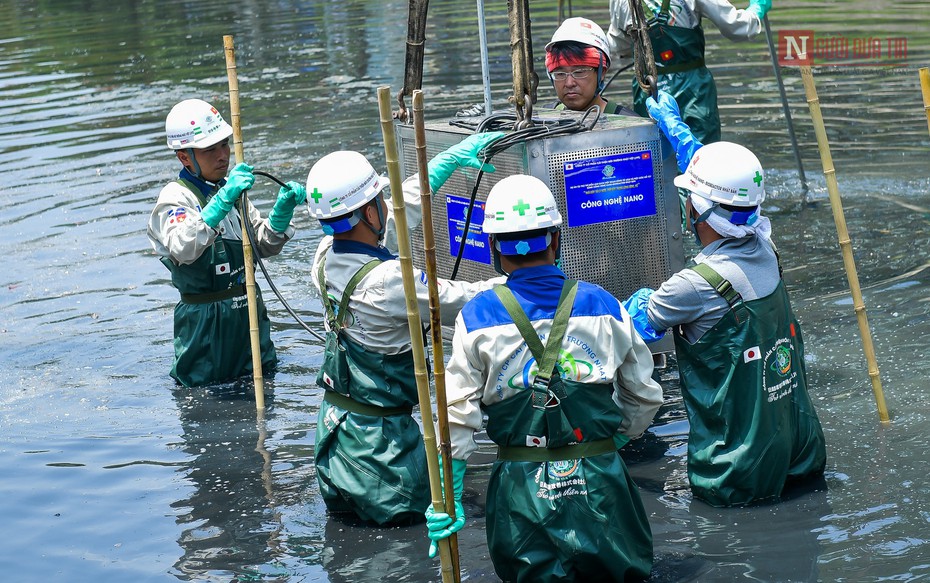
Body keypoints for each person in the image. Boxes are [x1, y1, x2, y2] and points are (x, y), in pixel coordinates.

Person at [424, 174, 664, 581]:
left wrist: (449, 496)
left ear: (495, 247)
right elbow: (643, 396)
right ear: (555, 238)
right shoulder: (603, 304)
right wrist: (614, 440)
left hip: (521, 494)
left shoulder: (476, 317)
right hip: (599, 482)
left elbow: (455, 417)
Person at [623, 121, 827, 507]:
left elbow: (620, 329)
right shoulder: (767, 246)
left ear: (697, 211)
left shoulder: (691, 287)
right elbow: (731, 194)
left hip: (737, 472)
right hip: (799, 453)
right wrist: (685, 141)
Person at [308, 132, 506, 526]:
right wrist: (524, 279)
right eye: (379, 199)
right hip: (381, 452)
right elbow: (459, 298)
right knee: (412, 535)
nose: (388, 203)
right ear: (367, 213)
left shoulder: (325, 254)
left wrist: (442, 165)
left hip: (336, 435)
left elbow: (402, 208)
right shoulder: (389, 281)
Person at [148, 98, 306, 388]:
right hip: (204, 327)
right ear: (185, 158)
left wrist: (281, 215)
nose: (223, 155)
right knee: (204, 407)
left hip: (248, 319)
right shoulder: (175, 198)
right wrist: (222, 202)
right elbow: (183, 246)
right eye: (210, 150)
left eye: (224, 145)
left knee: (263, 396)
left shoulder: (232, 192)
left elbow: (262, 245)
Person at [607, 0, 773, 143]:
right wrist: (756, 9)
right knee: (701, 160)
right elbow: (738, 27)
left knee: (654, 160)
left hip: (649, 90)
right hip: (693, 92)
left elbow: (617, 47)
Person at [545, 16, 638, 116]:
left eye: (579, 72)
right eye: (560, 74)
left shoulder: (629, 123)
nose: (569, 83)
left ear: (602, 72)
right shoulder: (543, 118)